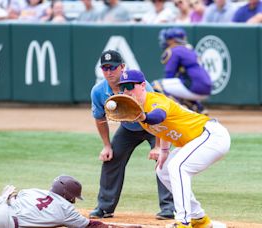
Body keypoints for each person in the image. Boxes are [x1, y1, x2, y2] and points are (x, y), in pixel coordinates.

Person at [117, 69, 231, 228]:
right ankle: (199, 219)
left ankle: (183, 221)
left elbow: (159, 117)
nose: (126, 91)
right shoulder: (139, 110)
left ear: (143, 85)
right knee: (163, 170)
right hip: (199, 140)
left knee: (177, 166)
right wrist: (164, 151)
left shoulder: (154, 100)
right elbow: (162, 128)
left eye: (130, 86)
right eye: (123, 88)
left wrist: (144, 117)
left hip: (212, 136)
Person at [89, 50, 175, 220]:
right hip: (129, 129)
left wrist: (158, 147)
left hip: (153, 126)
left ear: (122, 67)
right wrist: (107, 145)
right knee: (111, 159)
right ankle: (105, 207)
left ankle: (169, 208)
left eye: (112, 67)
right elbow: (100, 119)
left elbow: (158, 117)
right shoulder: (98, 91)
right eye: (105, 68)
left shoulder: (138, 85)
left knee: (164, 160)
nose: (109, 72)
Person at [153, 27, 212, 114]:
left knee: (157, 85)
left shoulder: (174, 50)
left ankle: (182, 112)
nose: (165, 41)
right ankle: (198, 108)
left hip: (195, 86)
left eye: (167, 39)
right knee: (175, 86)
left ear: (172, 40)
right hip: (206, 87)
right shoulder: (189, 49)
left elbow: (169, 76)